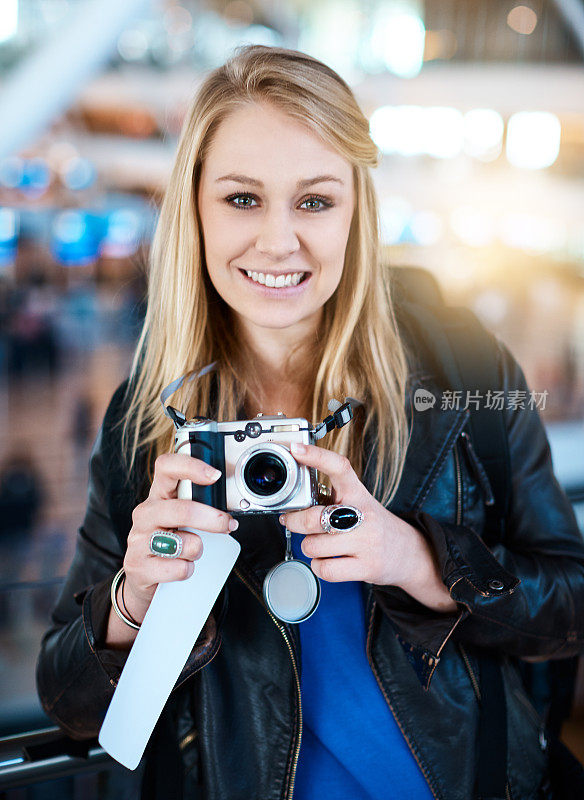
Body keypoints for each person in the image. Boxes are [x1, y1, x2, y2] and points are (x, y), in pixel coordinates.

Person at [36, 45, 584, 800]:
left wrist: (419, 563)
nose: (277, 241)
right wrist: (133, 600)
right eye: (242, 199)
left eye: (315, 201)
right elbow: (68, 704)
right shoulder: (146, 420)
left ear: (357, 209)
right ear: (194, 205)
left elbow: (571, 603)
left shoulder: (462, 370)